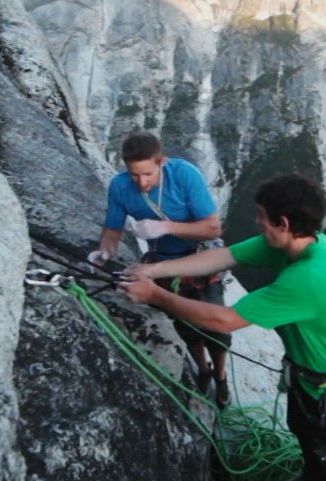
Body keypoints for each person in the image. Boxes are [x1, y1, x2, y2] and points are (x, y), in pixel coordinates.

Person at [119, 174, 326, 481]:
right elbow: (224, 257)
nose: (257, 223)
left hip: (325, 395)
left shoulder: (307, 277)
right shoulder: (306, 243)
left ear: (284, 223)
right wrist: (155, 270)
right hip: (310, 382)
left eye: (262, 217)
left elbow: (225, 320)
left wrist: (155, 296)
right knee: (307, 442)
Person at [89, 132, 232, 407]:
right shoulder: (119, 187)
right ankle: (203, 370)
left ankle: (221, 376)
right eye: (134, 175)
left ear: (162, 163)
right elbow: (112, 229)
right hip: (162, 262)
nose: (142, 183)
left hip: (199, 257)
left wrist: (165, 226)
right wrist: (104, 252)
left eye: (148, 174)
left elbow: (213, 227)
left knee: (216, 325)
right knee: (183, 322)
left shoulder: (184, 175)